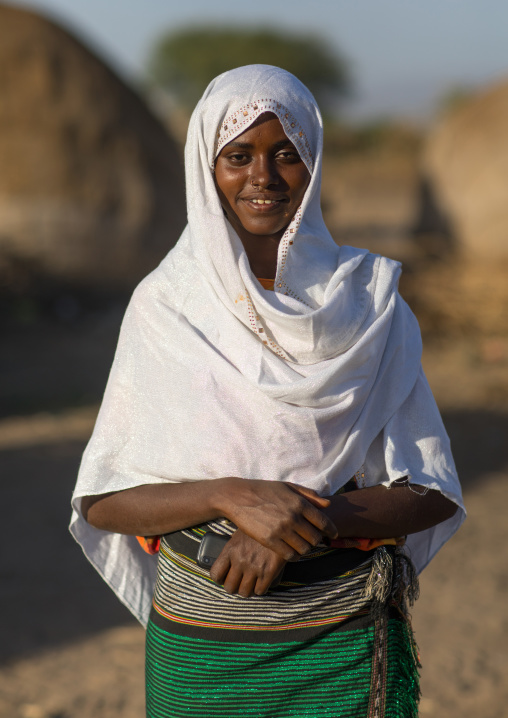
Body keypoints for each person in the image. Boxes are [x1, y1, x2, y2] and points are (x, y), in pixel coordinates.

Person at [70, 65, 465, 718]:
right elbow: (107, 503)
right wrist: (229, 495)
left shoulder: (369, 306)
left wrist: (299, 528)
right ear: (207, 167)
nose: (264, 177)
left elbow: (428, 492)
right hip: (203, 654)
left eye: (287, 154)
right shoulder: (166, 307)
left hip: (341, 638)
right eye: (238, 156)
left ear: (312, 161)